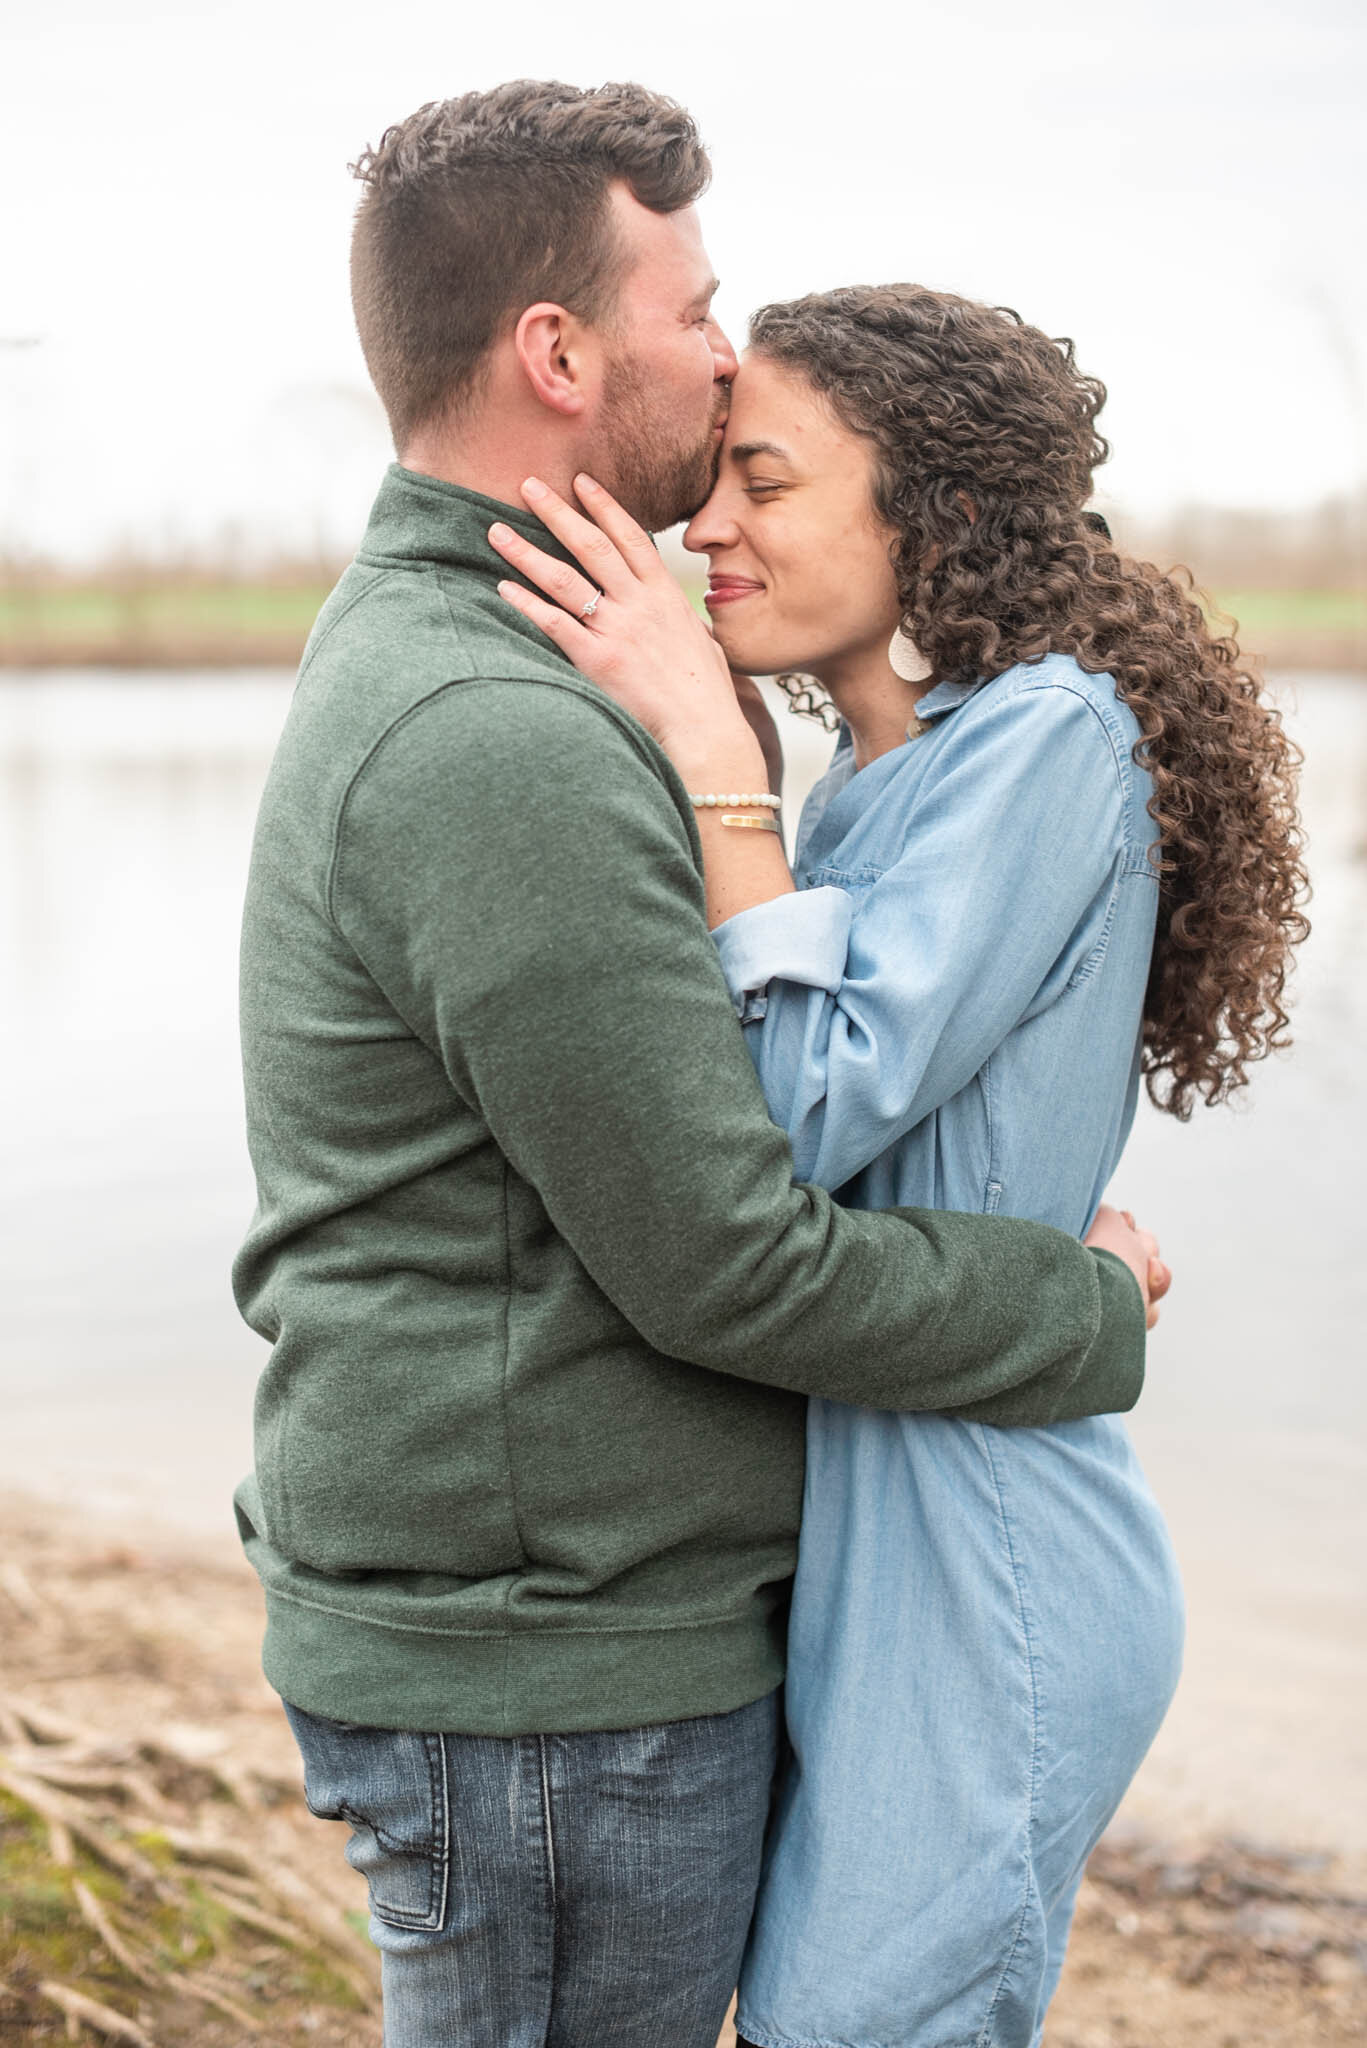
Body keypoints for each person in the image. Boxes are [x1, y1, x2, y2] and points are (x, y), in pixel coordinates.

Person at [232, 85, 1171, 2048]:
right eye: (696, 307)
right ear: (558, 353)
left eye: (780, 464)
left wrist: (718, 748)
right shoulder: (508, 730)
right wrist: (1075, 1299)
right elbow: (739, 1240)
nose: (723, 351)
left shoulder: (591, 691)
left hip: (711, 1616)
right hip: (556, 1673)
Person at [491, 284, 1308, 2046]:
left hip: (992, 1563)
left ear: (927, 507)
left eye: (763, 484)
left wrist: (716, 767)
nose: (706, 526)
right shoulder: (879, 783)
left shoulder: (1049, 737)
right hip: (876, 1549)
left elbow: (789, 1128)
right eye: (714, 481)